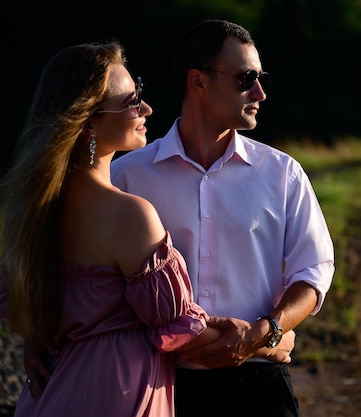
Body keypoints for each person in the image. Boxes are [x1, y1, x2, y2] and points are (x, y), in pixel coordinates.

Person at [0, 41, 292, 417]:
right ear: (87, 125)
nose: (146, 108)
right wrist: (268, 341)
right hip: (117, 391)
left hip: (56, 389)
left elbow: (37, 310)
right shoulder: (128, 215)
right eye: (131, 101)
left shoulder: (37, 212)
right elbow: (179, 331)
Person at [111, 20, 335, 417]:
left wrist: (267, 331)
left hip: (260, 383)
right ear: (198, 81)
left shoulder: (282, 173)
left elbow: (314, 271)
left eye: (260, 78)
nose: (260, 93)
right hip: (158, 383)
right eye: (247, 78)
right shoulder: (128, 176)